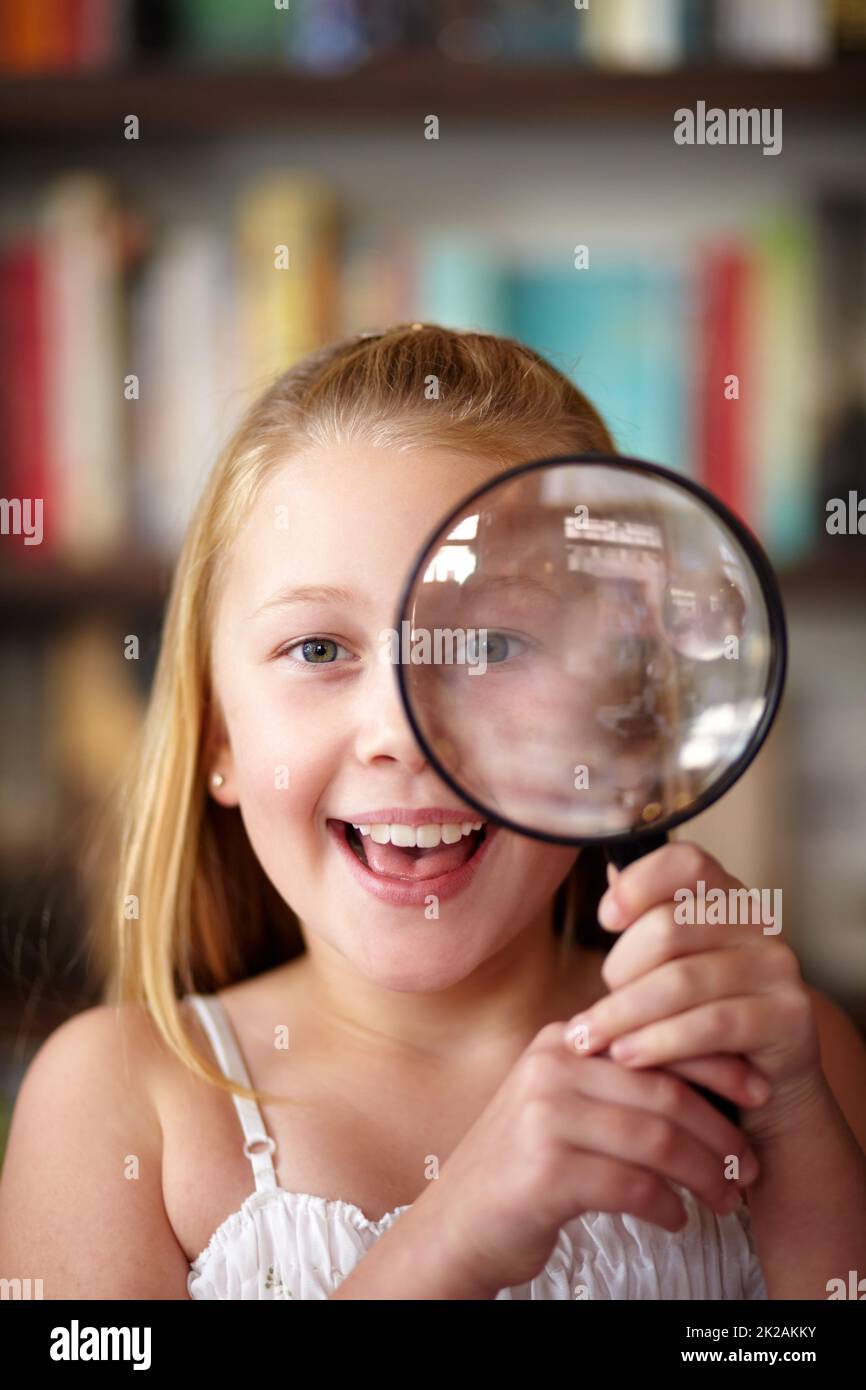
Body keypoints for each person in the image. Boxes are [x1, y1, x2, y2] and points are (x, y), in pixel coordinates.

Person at [1, 324, 865, 1300]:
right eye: (319, 650)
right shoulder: (114, 1102)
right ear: (217, 737)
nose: (400, 735)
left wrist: (793, 1117)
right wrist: (444, 1244)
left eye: (492, 647)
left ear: (622, 719)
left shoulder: (782, 1057)